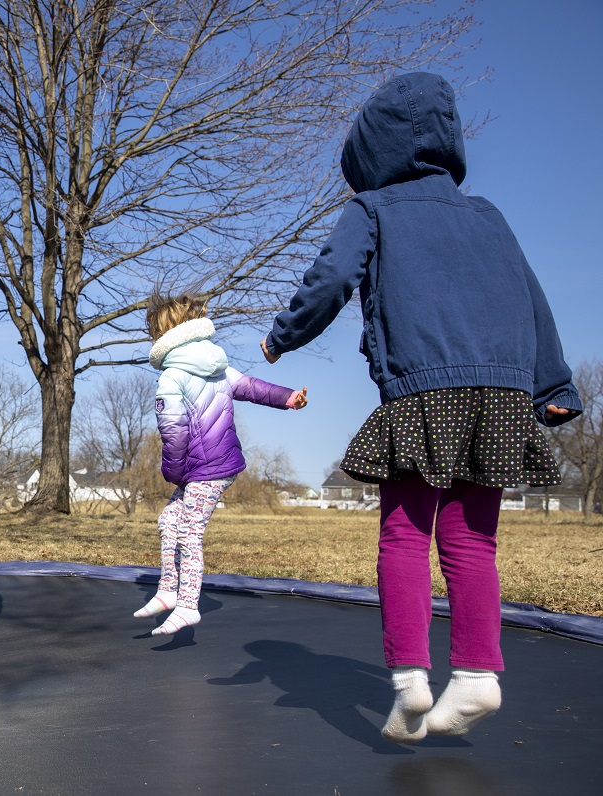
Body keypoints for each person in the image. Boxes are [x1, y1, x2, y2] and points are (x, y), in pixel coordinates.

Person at [260, 73, 582, 744]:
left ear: (371, 155)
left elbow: (331, 280)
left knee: (404, 535)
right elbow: (533, 298)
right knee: (473, 541)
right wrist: (554, 388)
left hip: (423, 392)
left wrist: (282, 336)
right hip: (500, 394)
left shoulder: (372, 208)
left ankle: (410, 676)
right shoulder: (489, 214)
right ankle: (476, 676)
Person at [137, 293, 307, 635]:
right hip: (217, 464)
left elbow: (173, 436)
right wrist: (288, 397)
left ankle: (187, 605)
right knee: (169, 519)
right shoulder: (217, 366)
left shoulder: (171, 377)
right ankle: (169, 589)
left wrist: (172, 473)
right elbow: (251, 387)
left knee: (189, 530)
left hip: (205, 470)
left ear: (161, 338)